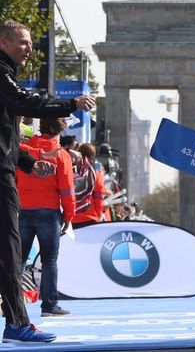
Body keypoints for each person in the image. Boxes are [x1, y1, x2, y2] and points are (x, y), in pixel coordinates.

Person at [0, 21, 95, 343]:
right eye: (23, 42)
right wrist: (71, 104)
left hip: (9, 174)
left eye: (29, 43)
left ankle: (16, 322)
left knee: (11, 252)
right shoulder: (1, 74)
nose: (28, 48)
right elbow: (24, 103)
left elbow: (5, 135)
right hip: (4, 182)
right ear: (3, 42)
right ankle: (16, 324)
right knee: (10, 253)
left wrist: (27, 162)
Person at [17, 117, 74, 317]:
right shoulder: (61, 155)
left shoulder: (23, 149)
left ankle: (11, 306)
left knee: (18, 260)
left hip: (22, 210)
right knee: (49, 260)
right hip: (49, 213)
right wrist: (68, 216)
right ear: (59, 131)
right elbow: (67, 189)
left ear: (40, 128)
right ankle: (49, 306)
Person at [71, 143, 106, 229]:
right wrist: (99, 213)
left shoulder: (71, 168)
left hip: (72, 217)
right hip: (90, 217)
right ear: (92, 155)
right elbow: (99, 193)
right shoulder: (96, 168)